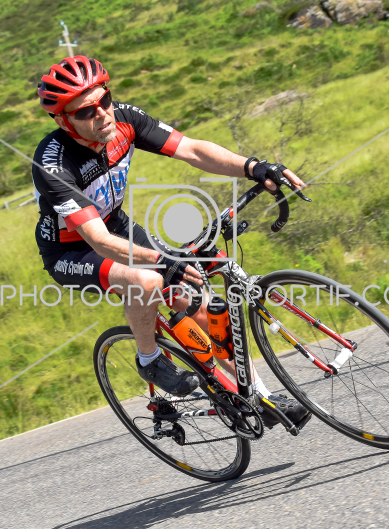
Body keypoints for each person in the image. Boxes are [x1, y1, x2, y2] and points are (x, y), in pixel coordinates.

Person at [33, 56, 310, 428]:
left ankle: (259, 397)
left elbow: (192, 150)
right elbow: (98, 240)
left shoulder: (125, 120)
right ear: (64, 121)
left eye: (105, 100)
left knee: (199, 303)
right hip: (71, 249)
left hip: (117, 227)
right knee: (147, 281)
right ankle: (149, 360)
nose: (102, 114)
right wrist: (163, 263)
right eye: (86, 111)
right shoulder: (53, 164)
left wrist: (253, 167)